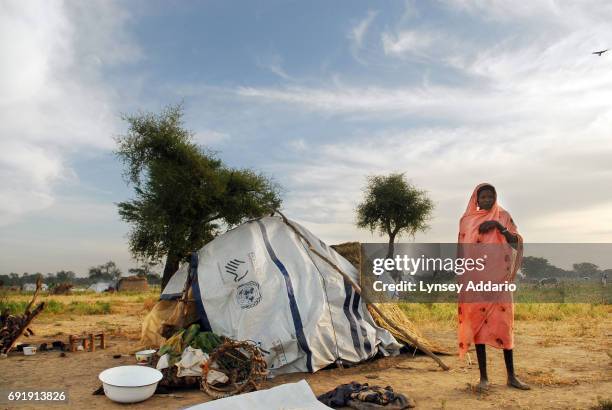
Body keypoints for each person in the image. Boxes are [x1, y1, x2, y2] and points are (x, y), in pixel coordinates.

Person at [457, 183, 530, 391]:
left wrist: (499, 226)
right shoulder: (466, 221)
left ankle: (512, 377)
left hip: (499, 283)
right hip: (476, 283)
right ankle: (483, 378)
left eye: (491, 196)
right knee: (478, 329)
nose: (487, 200)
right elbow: (462, 251)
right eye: (483, 197)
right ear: (476, 199)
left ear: (495, 198)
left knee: (505, 328)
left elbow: (516, 242)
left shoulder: (503, 216)